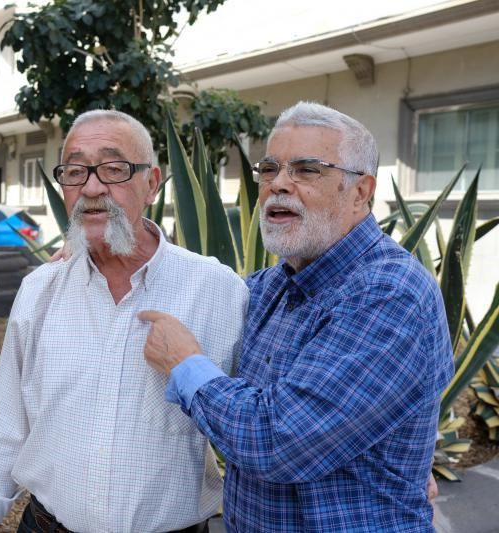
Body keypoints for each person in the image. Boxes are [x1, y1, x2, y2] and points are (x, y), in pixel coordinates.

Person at [140, 101, 453, 532]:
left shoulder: (390, 293)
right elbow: (189, 298)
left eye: (307, 169)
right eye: (269, 169)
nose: (278, 185)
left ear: (360, 192)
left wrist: (185, 367)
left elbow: (280, 440)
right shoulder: (271, 285)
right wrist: (99, 255)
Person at [0, 110, 248, 533]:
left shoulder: (216, 289)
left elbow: (251, 424)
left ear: (151, 183)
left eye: (114, 169)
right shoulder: (40, 291)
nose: (92, 187)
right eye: (75, 171)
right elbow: (8, 423)